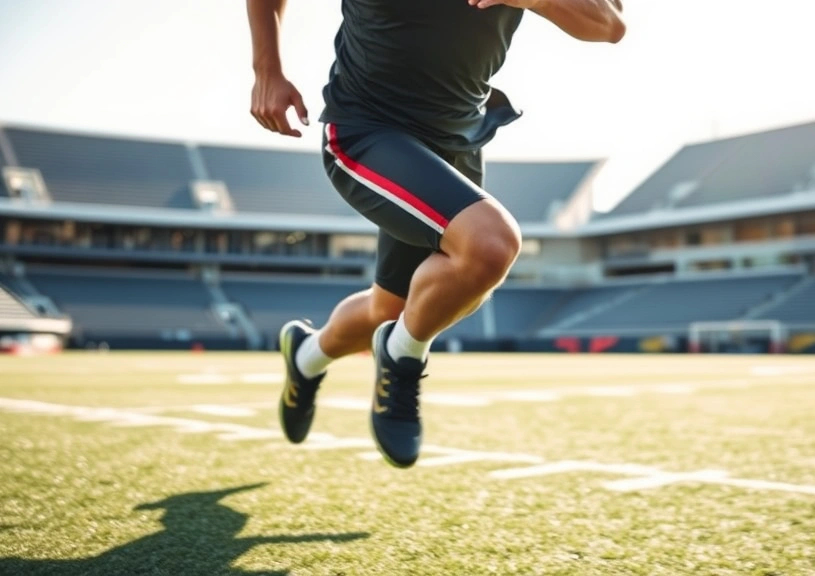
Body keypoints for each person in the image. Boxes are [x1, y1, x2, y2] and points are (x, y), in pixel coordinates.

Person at [246, 0, 625, 469]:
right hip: (369, 129)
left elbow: (610, 23)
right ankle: (402, 355)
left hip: (455, 138)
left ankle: (305, 356)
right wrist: (268, 68)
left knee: (391, 308)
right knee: (489, 246)